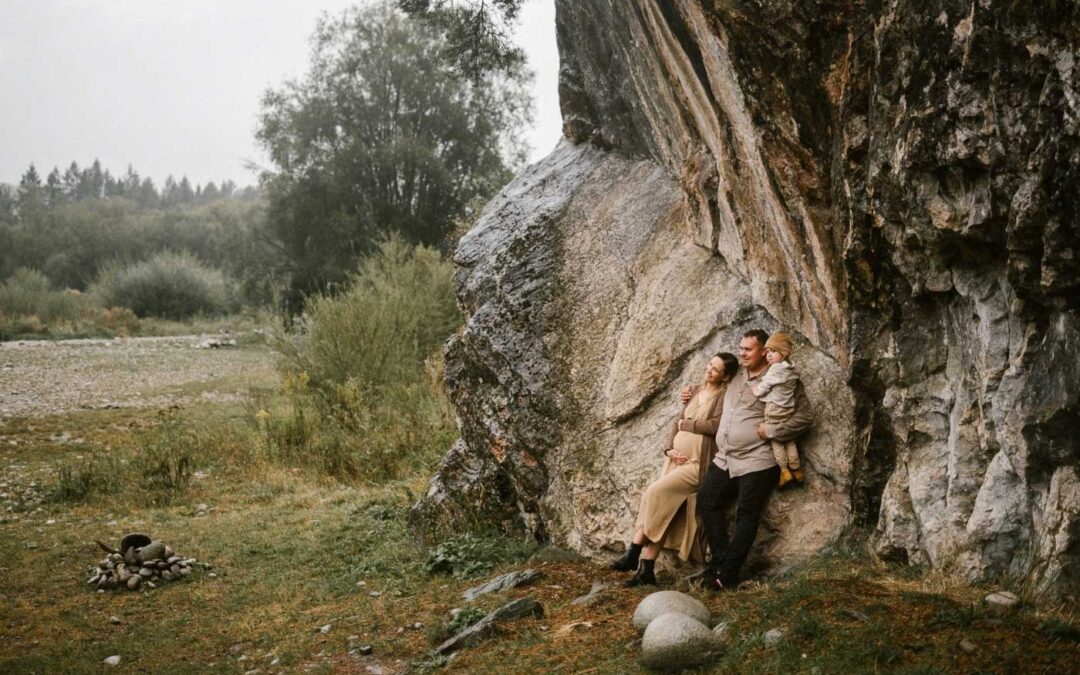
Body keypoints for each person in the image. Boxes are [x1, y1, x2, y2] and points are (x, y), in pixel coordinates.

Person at [691, 329, 812, 590]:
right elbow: (713, 378)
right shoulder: (735, 375)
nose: (742, 353)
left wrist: (772, 431)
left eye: (748, 349)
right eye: (741, 348)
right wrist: (689, 397)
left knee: (747, 514)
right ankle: (722, 565)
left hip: (758, 460)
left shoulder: (781, 377)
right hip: (725, 458)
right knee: (706, 499)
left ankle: (727, 575)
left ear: (764, 351)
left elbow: (805, 416)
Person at [611, 352, 740, 586]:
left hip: (697, 464)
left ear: (725, 377)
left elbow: (714, 426)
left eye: (715, 369)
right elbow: (676, 422)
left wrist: (685, 425)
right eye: (709, 364)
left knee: (654, 493)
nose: (709, 370)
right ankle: (645, 570)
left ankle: (633, 550)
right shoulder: (695, 391)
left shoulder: (724, 396)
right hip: (675, 460)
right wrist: (668, 448)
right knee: (663, 510)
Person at [752, 332, 804, 488]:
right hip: (788, 408)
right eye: (767, 352)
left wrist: (756, 389)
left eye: (773, 351)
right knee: (789, 439)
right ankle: (797, 469)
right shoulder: (793, 369)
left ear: (784, 352)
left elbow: (763, 388)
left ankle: (784, 471)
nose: (769, 355)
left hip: (774, 409)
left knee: (776, 440)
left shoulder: (775, 370)